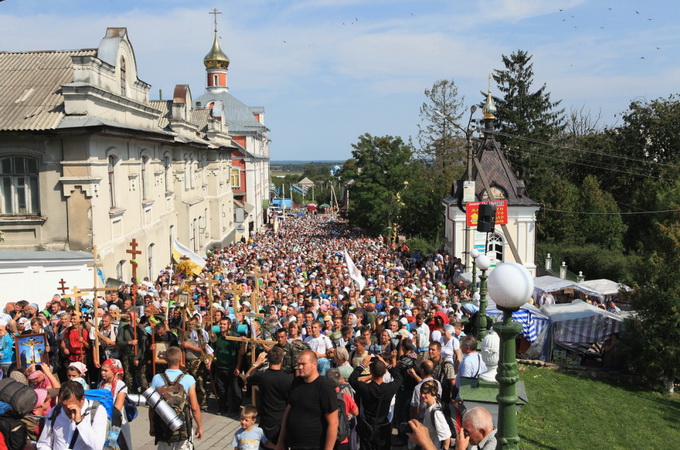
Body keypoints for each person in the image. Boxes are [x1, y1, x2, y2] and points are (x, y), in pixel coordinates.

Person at [276, 350, 338, 450]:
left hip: (314, 446)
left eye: (303, 364)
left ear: (314, 364)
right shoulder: (296, 382)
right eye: (298, 364)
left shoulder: (324, 387)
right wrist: (280, 441)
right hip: (292, 444)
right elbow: (288, 410)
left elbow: (333, 423)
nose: (299, 367)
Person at [149, 346, 203, 450]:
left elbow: (152, 407)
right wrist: (199, 427)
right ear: (180, 359)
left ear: (165, 359)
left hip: (163, 426)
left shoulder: (157, 378)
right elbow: (195, 407)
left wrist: (152, 426)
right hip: (183, 427)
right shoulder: (188, 379)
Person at [349, 353, 402, 450]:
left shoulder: (365, 388)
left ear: (371, 373)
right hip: (383, 427)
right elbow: (399, 377)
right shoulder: (389, 388)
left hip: (367, 426)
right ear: (385, 372)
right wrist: (386, 364)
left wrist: (362, 365)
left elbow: (352, 379)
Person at [37, 381, 108, 450]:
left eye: (71, 405)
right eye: (63, 405)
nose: (66, 409)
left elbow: (97, 446)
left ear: (82, 399)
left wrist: (80, 422)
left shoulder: (97, 411)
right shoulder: (55, 411)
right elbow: (43, 443)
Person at [246, 346, 293, 446]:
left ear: (268, 360)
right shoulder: (288, 379)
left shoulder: (262, 376)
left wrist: (257, 363)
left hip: (267, 419)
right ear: (282, 360)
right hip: (283, 420)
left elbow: (247, 377)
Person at [98, 358, 131, 450]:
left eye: (105, 370)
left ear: (114, 371)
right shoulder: (101, 384)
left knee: (116, 445)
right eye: (102, 370)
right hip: (103, 421)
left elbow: (117, 408)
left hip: (117, 421)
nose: (102, 373)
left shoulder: (120, 385)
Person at [214, 317, 243, 416]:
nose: (222, 326)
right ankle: (223, 408)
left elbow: (240, 353)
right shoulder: (216, 337)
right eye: (221, 324)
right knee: (221, 390)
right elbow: (212, 350)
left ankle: (235, 409)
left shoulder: (234, 337)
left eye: (224, 324)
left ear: (229, 326)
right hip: (220, 367)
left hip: (232, 368)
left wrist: (238, 367)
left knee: (235, 390)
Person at [326, 368, 358, 450]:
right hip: (342, 438)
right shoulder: (345, 396)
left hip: (327, 437)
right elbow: (356, 412)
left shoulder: (323, 396)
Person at [420, 381, 451, 450]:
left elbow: (446, 437)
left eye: (425, 393)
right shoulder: (428, 406)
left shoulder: (436, 413)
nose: (422, 395)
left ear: (432, 393)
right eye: (421, 392)